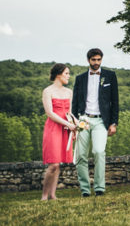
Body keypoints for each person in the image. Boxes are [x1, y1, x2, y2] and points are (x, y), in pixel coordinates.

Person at [72, 48, 119, 197]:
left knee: (99, 151)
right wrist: (73, 122)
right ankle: (85, 189)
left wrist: (114, 123)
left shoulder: (110, 76)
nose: (96, 63)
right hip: (83, 120)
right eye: (94, 60)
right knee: (80, 156)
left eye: (99, 60)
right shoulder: (80, 78)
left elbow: (115, 102)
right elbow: (74, 102)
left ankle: (99, 188)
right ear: (88, 60)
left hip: (101, 120)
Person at [41, 63, 76, 200]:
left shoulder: (69, 92)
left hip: (66, 128)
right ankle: (44, 195)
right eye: (66, 73)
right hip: (53, 128)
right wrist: (67, 123)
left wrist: (75, 125)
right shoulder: (47, 91)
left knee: (59, 163)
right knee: (53, 163)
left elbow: (69, 112)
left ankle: (53, 195)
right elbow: (49, 113)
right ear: (58, 74)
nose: (68, 76)